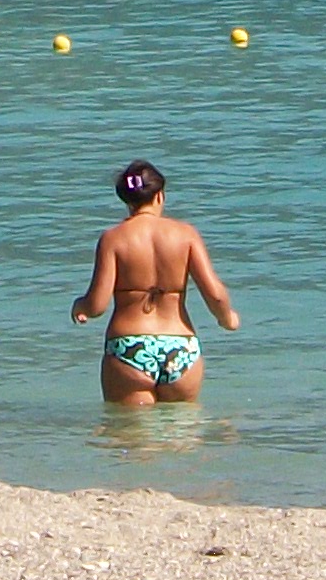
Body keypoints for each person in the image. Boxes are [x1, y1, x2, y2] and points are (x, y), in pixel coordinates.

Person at [73, 158, 237, 406]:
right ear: (160, 196)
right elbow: (215, 294)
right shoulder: (186, 234)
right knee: (181, 427)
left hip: (130, 347)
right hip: (180, 347)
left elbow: (97, 305)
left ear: (127, 201)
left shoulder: (113, 239)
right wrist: (227, 318)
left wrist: (80, 306)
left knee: (129, 428)